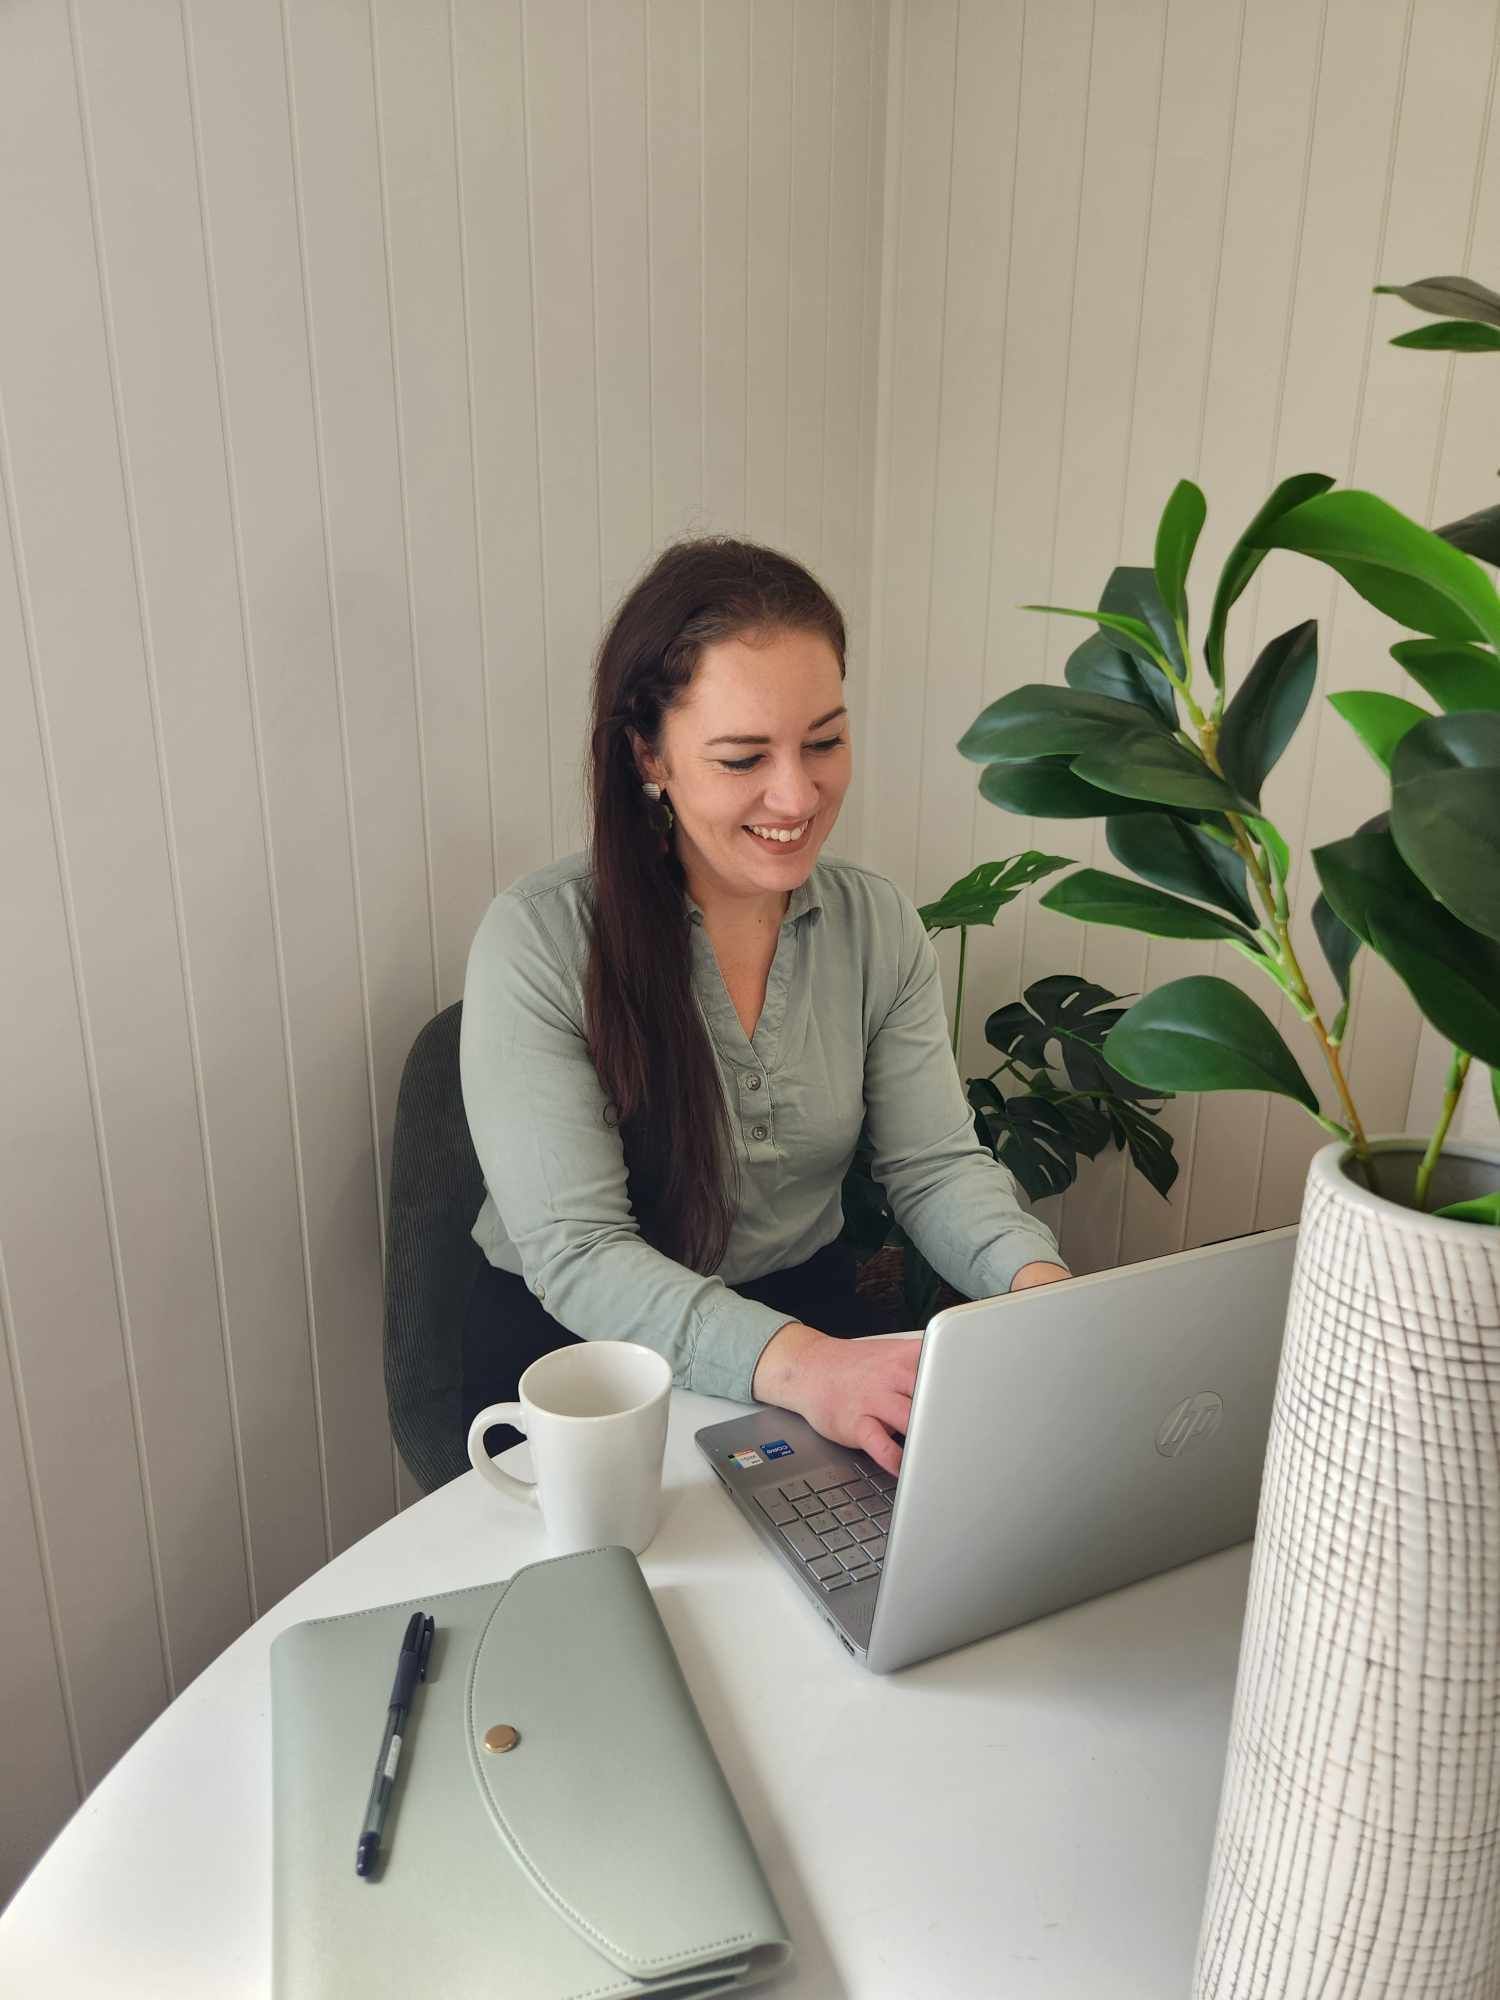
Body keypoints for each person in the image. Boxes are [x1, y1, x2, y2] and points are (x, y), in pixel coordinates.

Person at [459, 538, 1068, 1475]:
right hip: (582, 1365)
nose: (799, 794)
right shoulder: (537, 939)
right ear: (647, 756)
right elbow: (579, 1251)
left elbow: (935, 1165)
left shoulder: (876, 924)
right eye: (744, 758)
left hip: (808, 1316)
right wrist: (802, 1366)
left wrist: (1038, 1288)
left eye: (824, 741)